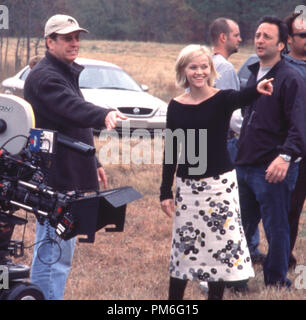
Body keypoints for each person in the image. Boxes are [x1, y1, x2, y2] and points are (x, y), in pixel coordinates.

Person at [24, 14, 127, 300]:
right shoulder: (46, 77)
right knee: (52, 254)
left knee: (58, 253)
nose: (75, 43)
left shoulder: (63, 72)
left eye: (77, 37)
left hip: (68, 177)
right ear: (49, 42)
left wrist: (94, 161)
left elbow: (71, 123)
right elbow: (73, 109)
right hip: (55, 182)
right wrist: (103, 114)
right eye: (67, 38)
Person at [159, 44, 273, 300]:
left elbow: (243, 96)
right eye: (193, 67)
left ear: (210, 69)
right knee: (183, 250)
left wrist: (257, 89)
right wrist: (165, 191)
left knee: (218, 250)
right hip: (188, 188)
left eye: (203, 66)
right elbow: (172, 150)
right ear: (183, 70)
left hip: (220, 186)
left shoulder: (222, 99)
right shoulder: (176, 106)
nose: (199, 72)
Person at [235, 16, 306, 288]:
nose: (259, 40)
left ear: (282, 44)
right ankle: (236, 277)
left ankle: (276, 280)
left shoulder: (291, 79)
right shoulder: (253, 73)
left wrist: (285, 157)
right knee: (241, 226)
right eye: (257, 35)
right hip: (245, 164)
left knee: (277, 229)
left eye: (266, 36)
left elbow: (299, 126)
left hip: (272, 167)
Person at [209, 17, 263, 265]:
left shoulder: (202, 64)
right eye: (236, 35)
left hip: (203, 143)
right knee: (236, 198)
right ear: (223, 37)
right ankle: (245, 250)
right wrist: (250, 136)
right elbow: (233, 113)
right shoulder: (226, 69)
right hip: (225, 142)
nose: (241, 39)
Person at [283, 12, 306, 269]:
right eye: (303, 35)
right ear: (289, 39)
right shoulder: (282, 67)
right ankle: (284, 256)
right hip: (295, 150)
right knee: (291, 207)